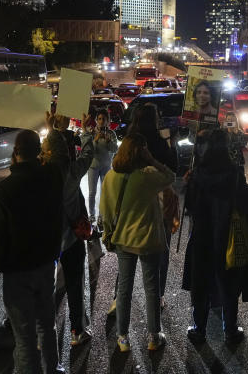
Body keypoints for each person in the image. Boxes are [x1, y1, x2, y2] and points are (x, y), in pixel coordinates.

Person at [0, 112, 75, 374]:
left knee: (24, 337)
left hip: (17, 271)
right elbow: (62, 156)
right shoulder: (52, 177)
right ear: (37, 151)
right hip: (46, 263)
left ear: (15, 152)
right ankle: (53, 368)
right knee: (47, 323)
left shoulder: (5, 190)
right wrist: (52, 130)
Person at [99, 132, 175, 352]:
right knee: (152, 288)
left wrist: (108, 232)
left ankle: (122, 338)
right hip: (147, 239)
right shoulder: (147, 174)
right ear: (143, 151)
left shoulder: (111, 176)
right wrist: (152, 160)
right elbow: (170, 176)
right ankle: (153, 336)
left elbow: (104, 210)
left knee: (124, 288)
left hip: (122, 238)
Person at [183, 129, 247, 344]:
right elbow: (242, 202)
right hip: (226, 233)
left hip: (202, 234)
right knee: (228, 283)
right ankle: (230, 329)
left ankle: (199, 328)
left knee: (201, 282)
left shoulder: (198, 173)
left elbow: (190, 206)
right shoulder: (233, 173)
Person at [127, 102, 178, 303]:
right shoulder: (158, 140)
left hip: (134, 203)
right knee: (160, 251)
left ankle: (121, 296)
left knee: (129, 254)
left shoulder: (130, 142)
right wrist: (171, 144)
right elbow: (172, 169)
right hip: (159, 200)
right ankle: (158, 295)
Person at [59, 120, 98, 348]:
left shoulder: (41, 172)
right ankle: (77, 330)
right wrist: (85, 132)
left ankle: (40, 332)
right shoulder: (71, 172)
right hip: (71, 238)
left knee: (44, 286)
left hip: (46, 239)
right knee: (74, 283)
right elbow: (88, 153)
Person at [84, 108, 118, 218]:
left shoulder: (111, 133)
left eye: (104, 119)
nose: (101, 121)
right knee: (92, 193)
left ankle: (101, 216)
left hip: (106, 167)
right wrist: (95, 140)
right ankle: (92, 215)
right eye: (99, 119)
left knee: (105, 193)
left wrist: (108, 141)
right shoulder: (92, 132)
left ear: (108, 121)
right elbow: (88, 149)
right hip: (93, 166)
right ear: (96, 120)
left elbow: (115, 149)